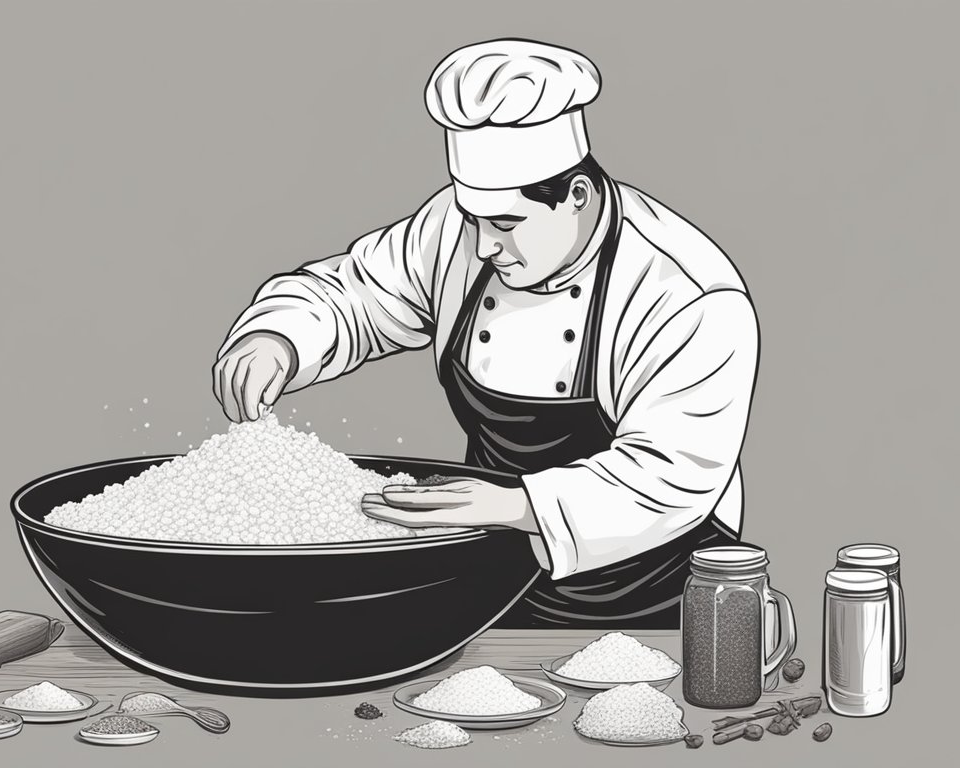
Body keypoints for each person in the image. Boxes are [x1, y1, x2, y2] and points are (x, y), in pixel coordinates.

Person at [212, 39, 759, 629]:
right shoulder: (458, 227)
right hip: (497, 572)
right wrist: (280, 338)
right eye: (472, 217)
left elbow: (672, 473)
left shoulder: (687, 295)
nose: (483, 246)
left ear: (576, 196)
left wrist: (518, 505)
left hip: (665, 594)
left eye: (505, 223)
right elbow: (359, 292)